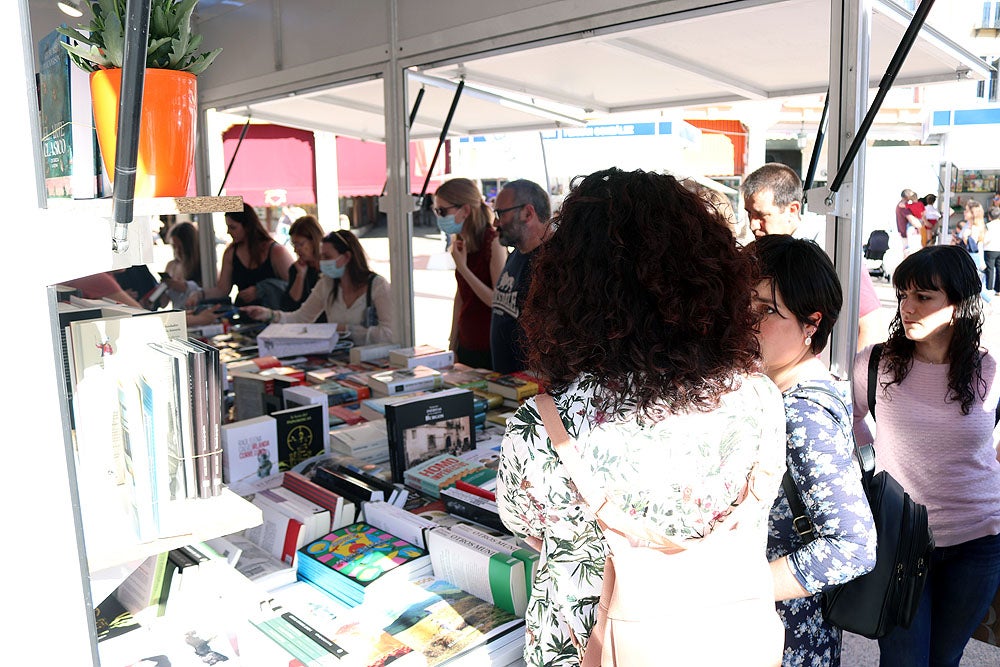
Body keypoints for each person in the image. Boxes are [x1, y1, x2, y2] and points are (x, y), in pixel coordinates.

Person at [496, 168, 788, 666]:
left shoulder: (541, 426)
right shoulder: (760, 397)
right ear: (709, 276)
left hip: (592, 645)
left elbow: (524, 524)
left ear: (568, 287)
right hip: (723, 639)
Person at [852, 245, 1000, 666]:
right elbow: (850, 417)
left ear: (957, 306)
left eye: (923, 296)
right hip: (900, 540)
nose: (907, 307)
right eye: (903, 295)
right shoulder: (877, 362)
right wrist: (874, 459)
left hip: (978, 543)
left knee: (944, 659)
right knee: (904, 661)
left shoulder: (990, 369)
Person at [750, 234, 877, 666]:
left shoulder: (802, 411)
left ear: (811, 324)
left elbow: (852, 546)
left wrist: (737, 588)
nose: (747, 321)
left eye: (767, 310)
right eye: (743, 304)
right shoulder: (782, 391)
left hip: (786, 638)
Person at [742, 162, 883, 351]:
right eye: (749, 214)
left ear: (792, 209)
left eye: (761, 215)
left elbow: (870, 324)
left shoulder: (831, 251)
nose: (753, 225)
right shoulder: (760, 252)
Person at [242, 229, 393, 344]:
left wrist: (347, 330)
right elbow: (301, 318)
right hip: (340, 359)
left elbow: (389, 333)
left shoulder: (377, 286)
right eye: (321, 257)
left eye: (327, 257)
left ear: (346, 257)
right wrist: (269, 314)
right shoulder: (326, 284)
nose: (322, 262)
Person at [433, 178, 507, 368]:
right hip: (467, 341)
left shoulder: (493, 242)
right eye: (436, 211)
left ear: (465, 210)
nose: (439, 217)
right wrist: (452, 341)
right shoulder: (461, 242)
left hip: (490, 345)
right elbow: (461, 295)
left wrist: (464, 268)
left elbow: (497, 301)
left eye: (442, 211)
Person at [489, 179, 552, 373]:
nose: (495, 222)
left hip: (535, 392)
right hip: (509, 386)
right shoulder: (517, 254)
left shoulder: (553, 263)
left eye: (500, 214)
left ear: (528, 213)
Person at [191, 203, 294, 308]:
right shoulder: (231, 253)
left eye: (233, 227)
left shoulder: (276, 251)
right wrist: (200, 294)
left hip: (274, 316)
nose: (228, 232)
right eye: (228, 227)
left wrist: (262, 290)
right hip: (244, 314)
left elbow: (294, 287)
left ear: (247, 227)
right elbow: (222, 290)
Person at [281, 215, 325, 320]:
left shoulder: (328, 267)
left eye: (300, 244)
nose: (296, 250)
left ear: (314, 241)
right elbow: (290, 305)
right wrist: (300, 275)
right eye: (294, 245)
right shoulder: (295, 269)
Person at [157, 221, 202, 310]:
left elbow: (206, 292)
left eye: (180, 247)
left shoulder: (201, 265)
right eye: (174, 246)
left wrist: (180, 286)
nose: (177, 251)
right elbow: (163, 303)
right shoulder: (171, 266)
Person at [895, 189, 922, 256]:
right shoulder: (903, 207)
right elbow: (915, 222)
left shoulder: (901, 205)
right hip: (908, 237)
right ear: (908, 197)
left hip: (905, 236)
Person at [986, 206, 1000, 297]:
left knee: (990, 269)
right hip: (999, 248)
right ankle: (998, 289)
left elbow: (986, 238)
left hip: (990, 249)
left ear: (989, 216)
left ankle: (989, 289)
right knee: (999, 269)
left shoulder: (988, 226)